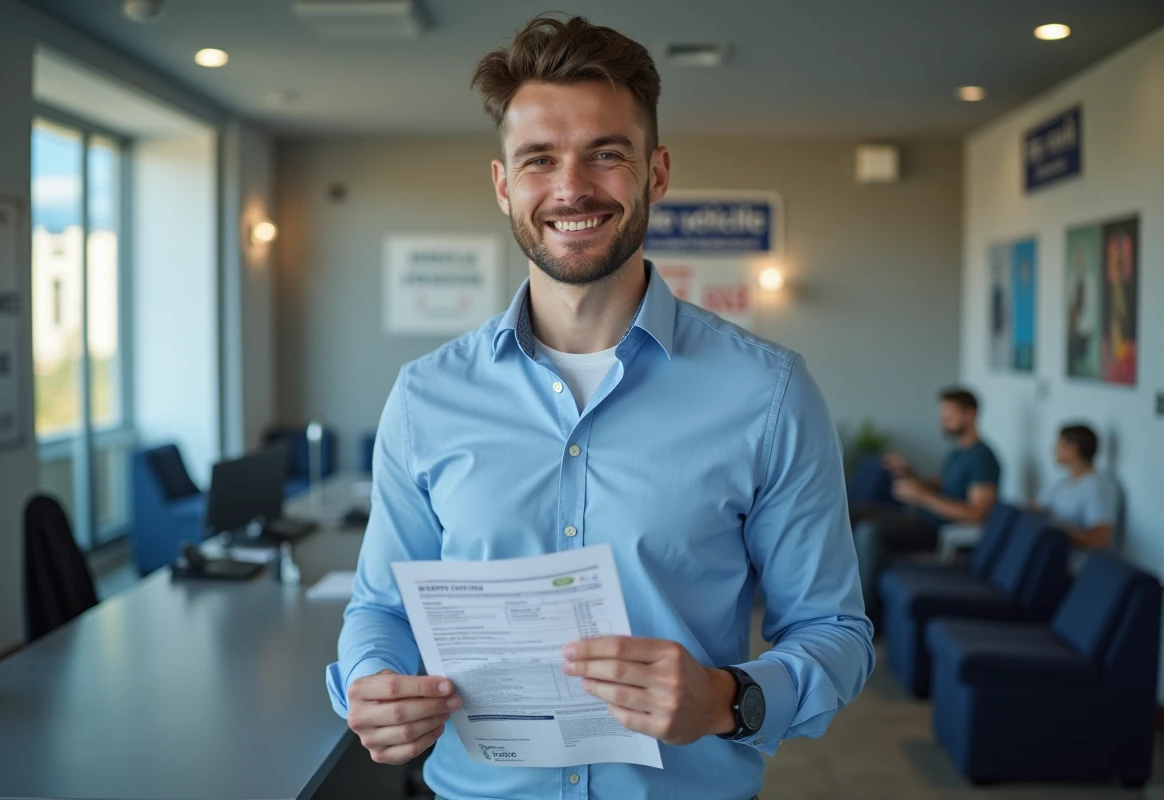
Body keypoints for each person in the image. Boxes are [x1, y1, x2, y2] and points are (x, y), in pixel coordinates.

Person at [325, 14, 874, 800]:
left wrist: (726, 700)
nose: (571, 187)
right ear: (504, 184)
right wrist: (372, 682)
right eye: (539, 159)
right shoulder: (425, 397)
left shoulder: (770, 394)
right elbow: (380, 606)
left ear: (655, 174)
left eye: (606, 155)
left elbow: (835, 633)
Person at [852, 388, 1000, 620]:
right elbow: (941, 486)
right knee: (854, 512)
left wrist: (922, 497)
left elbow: (977, 514)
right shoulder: (958, 452)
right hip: (920, 517)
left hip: (936, 529)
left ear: (969, 414)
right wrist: (909, 472)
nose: (943, 421)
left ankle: (867, 616)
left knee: (868, 531)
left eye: (949, 416)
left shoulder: (983, 458)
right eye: (943, 415)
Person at [1033, 424, 1119, 571]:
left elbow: (1100, 539)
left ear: (1072, 450)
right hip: (1049, 559)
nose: (1053, 449)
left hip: (1074, 569)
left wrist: (1057, 531)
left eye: (1058, 444)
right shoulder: (1063, 483)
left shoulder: (1097, 486)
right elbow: (1035, 508)